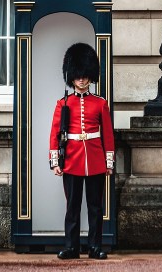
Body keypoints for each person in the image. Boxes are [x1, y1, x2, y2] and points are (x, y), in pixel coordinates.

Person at [49, 42, 115, 260]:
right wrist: (55, 161)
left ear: (90, 75)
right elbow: (55, 134)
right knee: (72, 208)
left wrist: (109, 162)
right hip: (71, 160)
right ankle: (72, 247)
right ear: (72, 76)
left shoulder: (100, 103)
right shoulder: (63, 103)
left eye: (85, 75)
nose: (82, 79)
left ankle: (95, 247)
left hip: (95, 160)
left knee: (95, 208)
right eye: (78, 75)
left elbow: (107, 135)